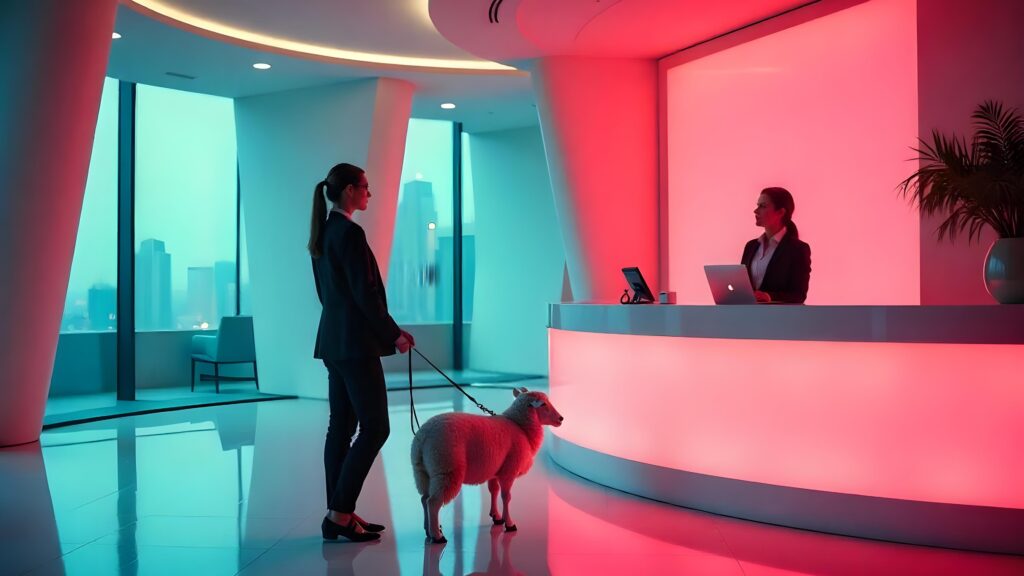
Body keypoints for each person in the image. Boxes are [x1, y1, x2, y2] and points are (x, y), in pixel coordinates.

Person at [308, 162, 415, 542]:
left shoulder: (323, 233)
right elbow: (365, 295)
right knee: (375, 428)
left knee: (341, 428)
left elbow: (330, 296)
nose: (370, 194)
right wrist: (395, 334)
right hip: (355, 345)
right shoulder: (349, 233)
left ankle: (339, 513)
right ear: (350, 190)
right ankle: (340, 513)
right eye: (366, 187)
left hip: (333, 342)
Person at [740, 187, 811, 304]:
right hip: (749, 316)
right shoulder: (751, 246)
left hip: (779, 319)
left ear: (780, 212)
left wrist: (769, 296)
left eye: (762, 206)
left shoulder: (798, 249)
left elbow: (799, 295)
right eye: (758, 205)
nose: (756, 211)